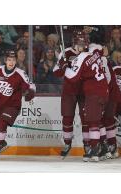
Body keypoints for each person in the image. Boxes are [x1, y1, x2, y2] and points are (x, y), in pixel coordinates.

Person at [65, 38, 109, 162]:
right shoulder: (94, 52)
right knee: (98, 120)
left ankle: (95, 150)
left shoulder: (82, 57)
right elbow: (102, 50)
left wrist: (66, 66)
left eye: (79, 45)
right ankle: (103, 149)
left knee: (92, 121)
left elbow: (71, 77)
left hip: (94, 92)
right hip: (103, 90)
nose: (78, 47)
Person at [0, 50, 36, 160]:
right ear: (5, 60)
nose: (11, 62)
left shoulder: (20, 73)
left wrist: (31, 92)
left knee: (2, 123)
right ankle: (2, 143)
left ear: (16, 61)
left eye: (13, 60)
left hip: (13, 105)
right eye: (9, 60)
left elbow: (30, 85)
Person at [53, 30, 89, 159]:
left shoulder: (88, 54)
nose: (82, 45)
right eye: (80, 43)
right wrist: (62, 65)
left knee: (86, 119)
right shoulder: (66, 53)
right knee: (67, 118)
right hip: (69, 91)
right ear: (74, 42)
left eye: (84, 43)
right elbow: (56, 72)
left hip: (84, 91)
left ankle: (87, 145)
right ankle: (67, 144)